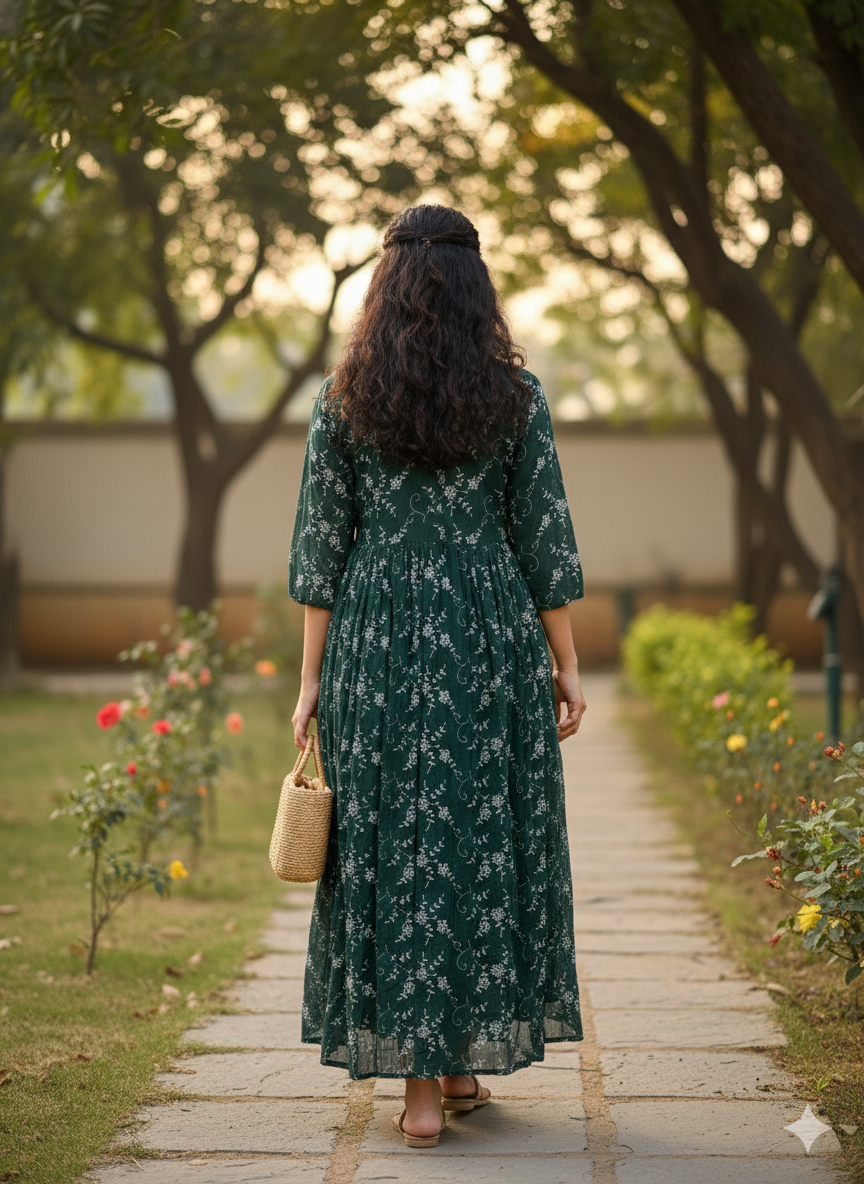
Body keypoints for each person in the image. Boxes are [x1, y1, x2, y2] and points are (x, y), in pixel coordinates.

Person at [287, 203, 586, 1148]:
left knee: (393, 841)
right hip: (487, 631)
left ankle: (431, 1083)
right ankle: (447, 1075)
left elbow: (319, 552)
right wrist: (565, 662)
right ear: (474, 284)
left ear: (386, 285)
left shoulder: (345, 398)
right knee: (476, 831)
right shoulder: (515, 397)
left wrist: (309, 682)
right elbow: (543, 534)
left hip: (376, 638)